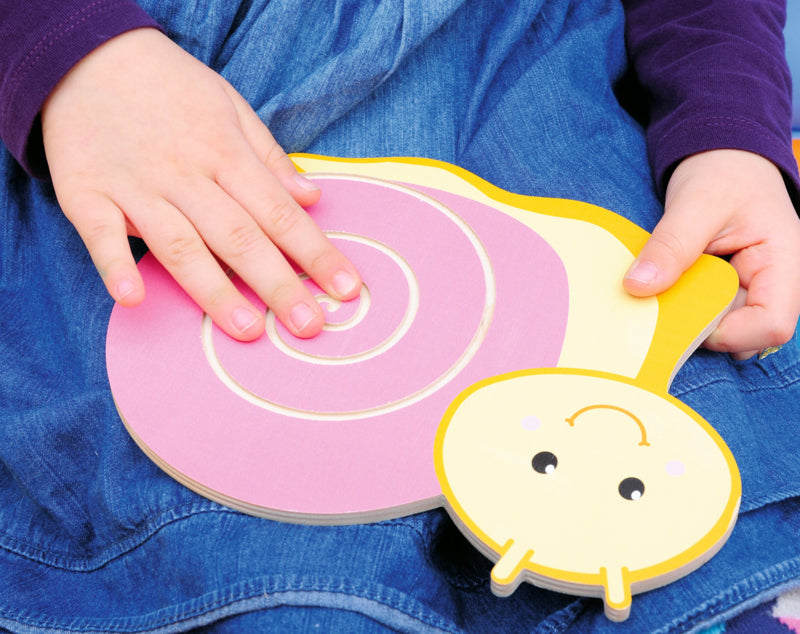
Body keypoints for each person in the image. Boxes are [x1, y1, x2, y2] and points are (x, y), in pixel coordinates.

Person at [0, 0, 798, 631]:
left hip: (538, 101)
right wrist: (70, 50)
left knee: (667, 514)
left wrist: (729, 134)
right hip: (144, 109)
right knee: (274, 560)